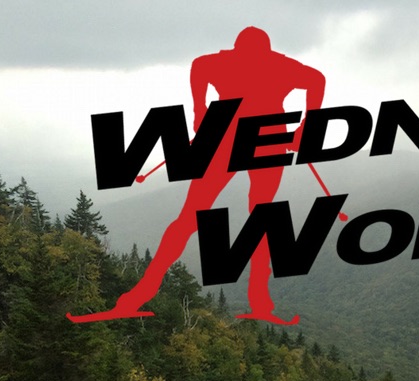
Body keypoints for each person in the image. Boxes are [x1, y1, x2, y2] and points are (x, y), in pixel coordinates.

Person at [69, 26, 325, 325]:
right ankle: (259, 299)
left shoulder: (221, 63)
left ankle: (138, 295)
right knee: (260, 215)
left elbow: (199, 66)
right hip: (265, 139)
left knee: (192, 216)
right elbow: (316, 80)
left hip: (226, 138)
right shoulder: (280, 66)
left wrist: (200, 111)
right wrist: (307, 124)